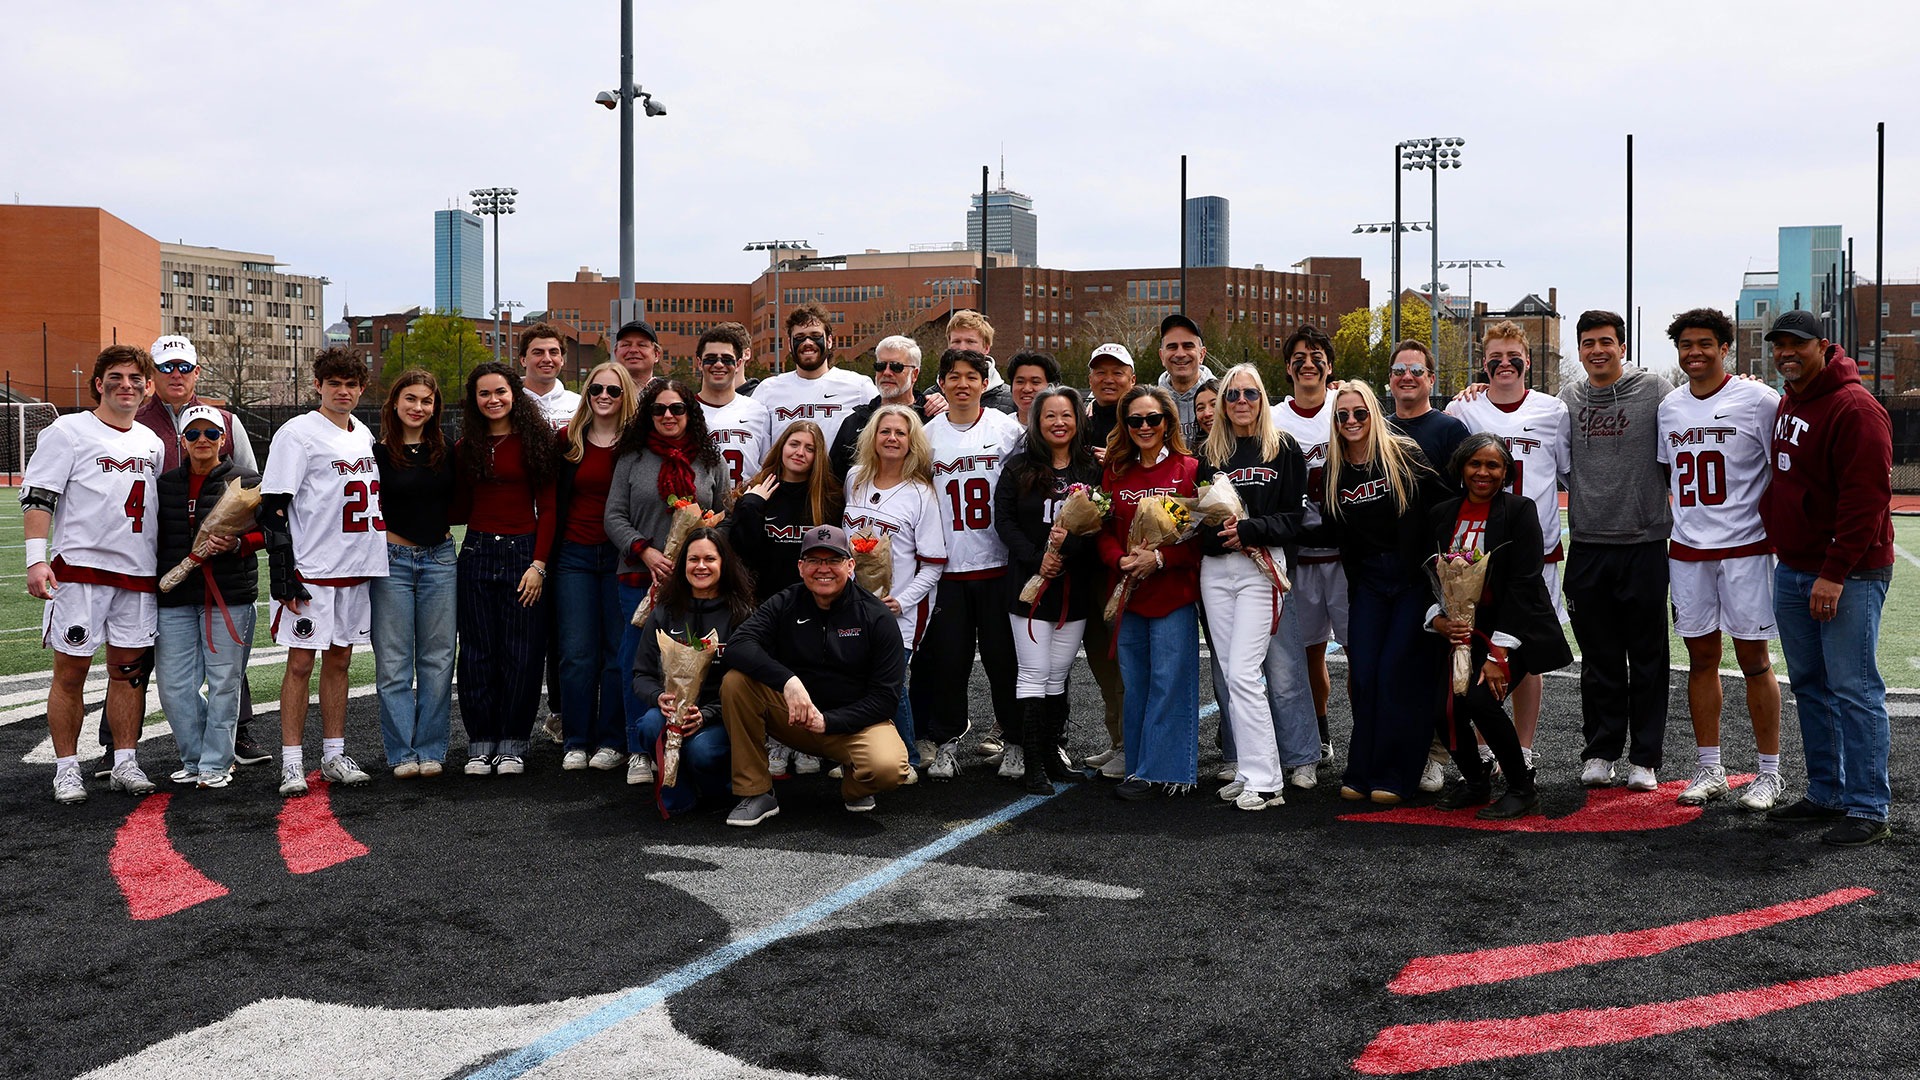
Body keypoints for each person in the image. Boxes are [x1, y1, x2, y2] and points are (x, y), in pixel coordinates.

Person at [1758, 310, 1896, 847]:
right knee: (1811, 687)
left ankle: (1867, 804)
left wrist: (1834, 573)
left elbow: (1866, 501)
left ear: (1823, 346)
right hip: (1793, 564)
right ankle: (1826, 792)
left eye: (1796, 345)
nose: (1785, 353)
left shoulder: (1855, 407)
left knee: (1854, 688)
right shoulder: (1794, 397)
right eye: (1779, 346)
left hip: (1847, 573)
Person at [1654, 309, 1784, 811]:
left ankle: (1770, 772)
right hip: (1688, 551)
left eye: (1705, 344)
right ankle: (1710, 766)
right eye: (1687, 345)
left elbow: (1781, 469)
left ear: (1725, 348)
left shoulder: (1758, 399)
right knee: (1701, 658)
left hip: (1746, 548)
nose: (1695, 353)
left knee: (1754, 659)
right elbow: (1669, 473)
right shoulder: (1669, 406)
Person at [23, 345, 165, 802]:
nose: (127, 385)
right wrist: (35, 558)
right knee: (71, 673)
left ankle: (125, 761)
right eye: (117, 377)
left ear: (147, 388)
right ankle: (66, 769)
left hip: (137, 576)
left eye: (136, 378)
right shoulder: (67, 431)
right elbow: (39, 497)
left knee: (129, 674)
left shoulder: (152, 442)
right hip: (81, 573)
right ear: (99, 383)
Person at [719, 525, 912, 826]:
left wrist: (830, 722)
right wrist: (788, 681)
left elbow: (885, 700)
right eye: (814, 560)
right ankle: (756, 792)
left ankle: (854, 786)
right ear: (800, 567)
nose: (824, 569)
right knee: (736, 682)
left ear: (850, 566)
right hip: (796, 717)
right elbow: (737, 646)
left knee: (889, 767)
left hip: (851, 726)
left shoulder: (876, 617)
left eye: (833, 560)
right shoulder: (785, 602)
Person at [1442, 324, 1569, 778]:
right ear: (1484, 362)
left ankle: (1524, 745)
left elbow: (1568, 471)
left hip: (1538, 554)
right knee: (1479, 649)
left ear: (1528, 361)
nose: (1504, 364)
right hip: (1477, 562)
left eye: (1513, 356)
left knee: (1524, 655)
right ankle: (1487, 746)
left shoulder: (1554, 411)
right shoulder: (1464, 406)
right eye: (1495, 356)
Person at [135, 334, 268, 767]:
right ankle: (116, 744)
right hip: (162, 565)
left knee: (226, 674)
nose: (176, 374)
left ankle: (229, 745)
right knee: (161, 672)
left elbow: (251, 492)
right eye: (166, 367)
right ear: (153, 374)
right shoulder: (135, 421)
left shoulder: (228, 420)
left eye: (183, 367)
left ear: (196, 372)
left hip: (224, 579)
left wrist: (238, 540)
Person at [1426, 434, 1573, 819]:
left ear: (1506, 471)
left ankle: (1522, 787)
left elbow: (1524, 583)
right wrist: (1438, 619)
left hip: (1516, 628)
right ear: (1461, 467)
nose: (1483, 472)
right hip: (1464, 628)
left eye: (1493, 465)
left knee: (1479, 700)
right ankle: (1476, 783)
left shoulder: (1519, 510)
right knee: (1444, 706)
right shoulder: (1443, 512)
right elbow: (1424, 575)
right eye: (1475, 463)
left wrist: (1498, 654)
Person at [261, 348, 387, 796]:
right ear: (318, 385)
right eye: (335, 383)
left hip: (356, 567)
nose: (343, 391)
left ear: (361, 388)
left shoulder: (363, 434)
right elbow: (275, 506)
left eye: (351, 384)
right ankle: (292, 761)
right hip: (312, 568)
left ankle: (333, 754)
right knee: (299, 663)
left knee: (341, 661)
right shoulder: (297, 433)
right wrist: (282, 572)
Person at [1559, 310, 1672, 791]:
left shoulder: (1656, 390)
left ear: (1623, 347)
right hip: (1586, 546)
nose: (1597, 350)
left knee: (1648, 657)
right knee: (1599, 659)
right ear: (1580, 349)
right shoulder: (1567, 399)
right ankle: (1601, 751)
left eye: (1607, 341)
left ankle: (1644, 759)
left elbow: (1697, 407)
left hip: (1644, 545)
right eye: (1588, 343)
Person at [1322, 380, 1445, 803]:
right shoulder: (1334, 469)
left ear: (1374, 414)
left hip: (1412, 580)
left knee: (1396, 672)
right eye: (1343, 415)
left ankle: (1398, 773)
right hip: (1369, 583)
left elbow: (1444, 506)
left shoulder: (1404, 455)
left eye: (1359, 413)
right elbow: (1325, 526)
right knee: (1365, 673)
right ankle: (1364, 768)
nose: (1352, 421)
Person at [1197, 365, 1312, 810]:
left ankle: (1267, 781)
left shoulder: (1282, 448)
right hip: (1216, 570)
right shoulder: (1209, 452)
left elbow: (1294, 519)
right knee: (1230, 673)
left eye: (1250, 393)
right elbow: (1195, 521)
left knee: (1246, 672)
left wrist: (1249, 529)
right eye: (1232, 395)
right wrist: (1219, 533)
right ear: (1222, 403)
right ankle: (1248, 768)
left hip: (1260, 568)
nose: (1241, 401)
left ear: (1263, 398)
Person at [606, 377, 732, 780]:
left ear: (689, 413)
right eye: (659, 409)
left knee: (691, 660)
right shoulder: (632, 457)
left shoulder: (711, 461)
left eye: (677, 408)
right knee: (636, 662)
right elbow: (614, 516)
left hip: (698, 583)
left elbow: (723, 519)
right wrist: (645, 550)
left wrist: (698, 557)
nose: (667, 416)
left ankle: (689, 737)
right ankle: (638, 748)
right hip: (639, 581)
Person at [911, 348, 1026, 781]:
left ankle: (1014, 740)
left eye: (971, 376)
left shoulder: (1006, 428)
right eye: (953, 375)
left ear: (984, 382)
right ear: (941, 382)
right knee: (949, 663)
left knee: (1003, 660)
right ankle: (945, 743)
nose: (962, 383)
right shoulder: (926, 434)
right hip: (948, 569)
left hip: (998, 564)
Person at [450, 362, 560, 776]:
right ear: (474, 401)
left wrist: (539, 565)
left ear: (514, 393)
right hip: (476, 551)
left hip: (524, 555)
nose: (493, 400)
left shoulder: (536, 442)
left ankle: (513, 742)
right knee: (477, 652)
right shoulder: (465, 447)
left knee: (523, 653)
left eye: (500, 392)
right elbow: (457, 506)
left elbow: (549, 509)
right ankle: (480, 743)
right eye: (484, 394)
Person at [994, 386, 1099, 793]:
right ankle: (1033, 763)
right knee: (1034, 672)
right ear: (1037, 422)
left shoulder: (1090, 469)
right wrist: (1037, 557)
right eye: (1050, 415)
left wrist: (1067, 551)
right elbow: (1003, 522)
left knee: (1058, 674)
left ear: (1078, 420)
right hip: (1028, 586)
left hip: (1074, 586)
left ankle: (1053, 754)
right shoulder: (1018, 468)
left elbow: (1098, 524)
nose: (1059, 422)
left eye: (1067, 415)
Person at [1099, 385, 1202, 799]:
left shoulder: (1189, 469)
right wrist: (1118, 560)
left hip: (1172, 592)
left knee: (1170, 680)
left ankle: (1169, 770)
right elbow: (1101, 530)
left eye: (1152, 419)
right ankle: (1140, 767)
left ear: (1167, 422)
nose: (1144, 427)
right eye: (1135, 420)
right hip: (1127, 592)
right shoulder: (1116, 472)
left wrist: (1160, 560)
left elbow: (1198, 539)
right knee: (1136, 682)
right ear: (1125, 426)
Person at [155, 405, 261, 788]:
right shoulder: (164, 484)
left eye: (211, 434)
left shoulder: (247, 480)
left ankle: (216, 763)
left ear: (223, 439)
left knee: (224, 683)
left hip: (227, 595)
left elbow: (274, 533)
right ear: (182, 440)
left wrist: (236, 543)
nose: (203, 440)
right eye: (194, 434)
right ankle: (194, 755)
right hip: (175, 598)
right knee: (174, 686)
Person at [842, 404, 946, 771]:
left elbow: (934, 563)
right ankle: (859, 752)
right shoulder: (855, 478)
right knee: (854, 678)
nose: (892, 438)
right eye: (885, 431)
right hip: (854, 603)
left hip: (900, 609)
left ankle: (909, 758)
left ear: (912, 442)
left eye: (901, 433)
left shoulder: (921, 493)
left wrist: (901, 601)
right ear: (873, 436)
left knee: (890, 683)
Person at [369, 370, 458, 778]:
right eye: (410, 399)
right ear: (395, 404)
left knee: (438, 660)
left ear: (435, 407)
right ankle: (402, 752)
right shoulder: (377, 453)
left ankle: (431, 749)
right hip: (392, 561)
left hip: (440, 559)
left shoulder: (447, 450)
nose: (418, 407)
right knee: (394, 662)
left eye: (426, 400)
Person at [630, 528, 756, 816]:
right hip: (673, 711)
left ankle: (720, 792)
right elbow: (641, 674)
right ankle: (680, 795)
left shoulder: (741, 614)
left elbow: (751, 684)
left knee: (702, 750)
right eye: (693, 559)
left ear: (724, 564)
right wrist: (659, 696)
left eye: (709, 559)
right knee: (649, 725)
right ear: (682, 564)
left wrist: (707, 714)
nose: (701, 566)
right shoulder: (665, 611)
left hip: (720, 716)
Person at [553, 363, 640, 774]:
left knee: (616, 652)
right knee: (576, 653)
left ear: (626, 397)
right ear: (586, 394)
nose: (604, 396)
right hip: (575, 556)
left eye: (614, 390)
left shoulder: (636, 446)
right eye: (596, 389)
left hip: (622, 557)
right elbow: (553, 504)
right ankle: (576, 739)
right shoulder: (567, 441)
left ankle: (611, 739)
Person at [1270, 326, 1344, 764]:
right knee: (1309, 652)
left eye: (1317, 355)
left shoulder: (1346, 406)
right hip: (1298, 556)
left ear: (1330, 366)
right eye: (1299, 356)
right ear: (1287, 367)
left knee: (1360, 651)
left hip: (1346, 553)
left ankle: (1369, 729)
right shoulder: (1275, 418)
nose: (1308, 363)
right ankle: (1320, 733)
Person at [1078, 343, 1134, 769]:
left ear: (1132, 379)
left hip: (1128, 560)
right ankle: (1118, 740)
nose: (1108, 378)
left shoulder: (1142, 417)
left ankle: (1132, 744)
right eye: (1101, 372)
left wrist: (1120, 461)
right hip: (1086, 560)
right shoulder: (1079, 420)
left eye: (1118, 372)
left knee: (1124, 655)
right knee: (1099, 654)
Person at [731, 421, 843, 617]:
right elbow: (741, 554)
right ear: (782, 446)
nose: (800, 452)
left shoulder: (829, 499)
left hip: (812, 606)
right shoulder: (755, 492)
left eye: (810, 448)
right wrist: (750, 505)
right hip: (761, 605)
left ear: (818, 457)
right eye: (794, 444)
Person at [747, 303, 874, 448]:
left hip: (837, 471)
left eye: (815, 336)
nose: (808, 342)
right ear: (789, 344)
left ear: (829, 340)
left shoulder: (859, 387)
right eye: (800, 337)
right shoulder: (767, 389)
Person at [829, 335, 940, 480]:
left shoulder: (932, 418)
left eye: (896, 367)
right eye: (881, 366)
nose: (887, 372)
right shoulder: (855, 421)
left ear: (915, 374)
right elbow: (833, 480)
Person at [694, 323, 772, 490]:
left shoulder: (758, 412)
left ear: (738, 364)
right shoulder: (684, 411)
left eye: (727, 359)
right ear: (699, 363)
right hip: (697, 509)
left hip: (745, 507)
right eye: (711, 359)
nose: (719, 364)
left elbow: (766, 468)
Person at [1156, 314, 1219, 447]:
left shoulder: (1225, 398)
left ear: (1202, 354)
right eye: (1172, 347)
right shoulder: (1153, 404)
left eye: (1188, 346)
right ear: (1162, 356)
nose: (1180, 354)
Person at [945, 309, 1014, 414]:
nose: (962, 348)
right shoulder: (932, 398)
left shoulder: (1012, 400)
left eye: (970, 342)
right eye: (956, 341)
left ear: (986, 348)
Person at [519, 322, 581, 427]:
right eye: (538, 353)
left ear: (561, 360)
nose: (547, 359)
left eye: (553, 352)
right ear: (523, 360)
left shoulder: (579, 404)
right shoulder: (508, 403)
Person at [1006, 351, 1060, 424]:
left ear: (1052, 386)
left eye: (1035, 382)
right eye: (1020, 382)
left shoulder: (1060, 427)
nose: (1027, 389)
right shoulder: (999, 428)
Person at [613, 319, 663, 390]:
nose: (633, 350)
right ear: (615, 353)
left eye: (642, 345)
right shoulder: (601, 393)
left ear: (656, 355)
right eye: (626, 345)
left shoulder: (669, 394)